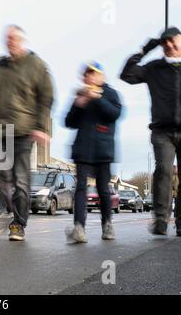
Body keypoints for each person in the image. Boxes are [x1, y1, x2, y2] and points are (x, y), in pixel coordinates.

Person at [0, 25, 54, 241]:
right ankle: (9, 210)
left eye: (13, 38)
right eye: (7, 39)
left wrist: (42, 128)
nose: (9, 42)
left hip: (22, 132)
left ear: (22, 40)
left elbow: (46, 98)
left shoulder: (36, 65)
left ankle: (18, 224)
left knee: (21, 179)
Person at [120, 27, 181, 236]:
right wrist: (144, 49)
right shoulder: (155, 68)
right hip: (162, 131)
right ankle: (161, 220)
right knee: (163, 170)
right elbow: (127, 74)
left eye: (173, 41)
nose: (169, 46)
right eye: (164, 43)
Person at [65, 62, 122, 243]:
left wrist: (97, 98)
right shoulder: (81, 95)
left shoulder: (110, 93)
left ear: (101, 76)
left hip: (103, 149)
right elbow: (69, 122)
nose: (89, 77)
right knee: (80, 187)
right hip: (83, 148)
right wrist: (78, 105)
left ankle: (107, 225)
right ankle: (79, 228)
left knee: (103, 189)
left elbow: (114, 114)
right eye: (87, 74)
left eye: (93, 73)